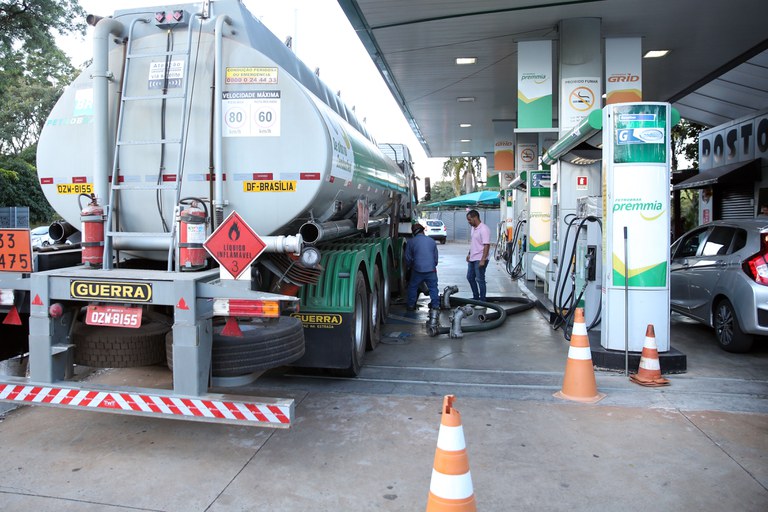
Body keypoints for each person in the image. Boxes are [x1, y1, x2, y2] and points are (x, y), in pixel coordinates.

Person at [405, 222, 439, 310]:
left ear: (414, 233)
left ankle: (411, 305)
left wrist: (410, 267)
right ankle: (435, 306)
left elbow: (408, 258)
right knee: (433, 288)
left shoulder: (411, 242)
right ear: (423, 231)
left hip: (417, 270)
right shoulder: (431, 241)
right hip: (431, 270)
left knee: (413, 287)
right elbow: (435, 258)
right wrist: (432, 266)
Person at [466, 209, 491, 302]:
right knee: (470, 277)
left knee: (480, 279)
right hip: (473, 258)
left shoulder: (484, 229)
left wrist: (483, 259)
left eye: (469, 219)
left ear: (475, 217)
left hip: (480, 258)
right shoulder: (473, 228)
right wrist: (469, 254)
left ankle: (482, 300)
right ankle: (476, 297)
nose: (468, 222)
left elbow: (486, 245)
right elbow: (474, 243)